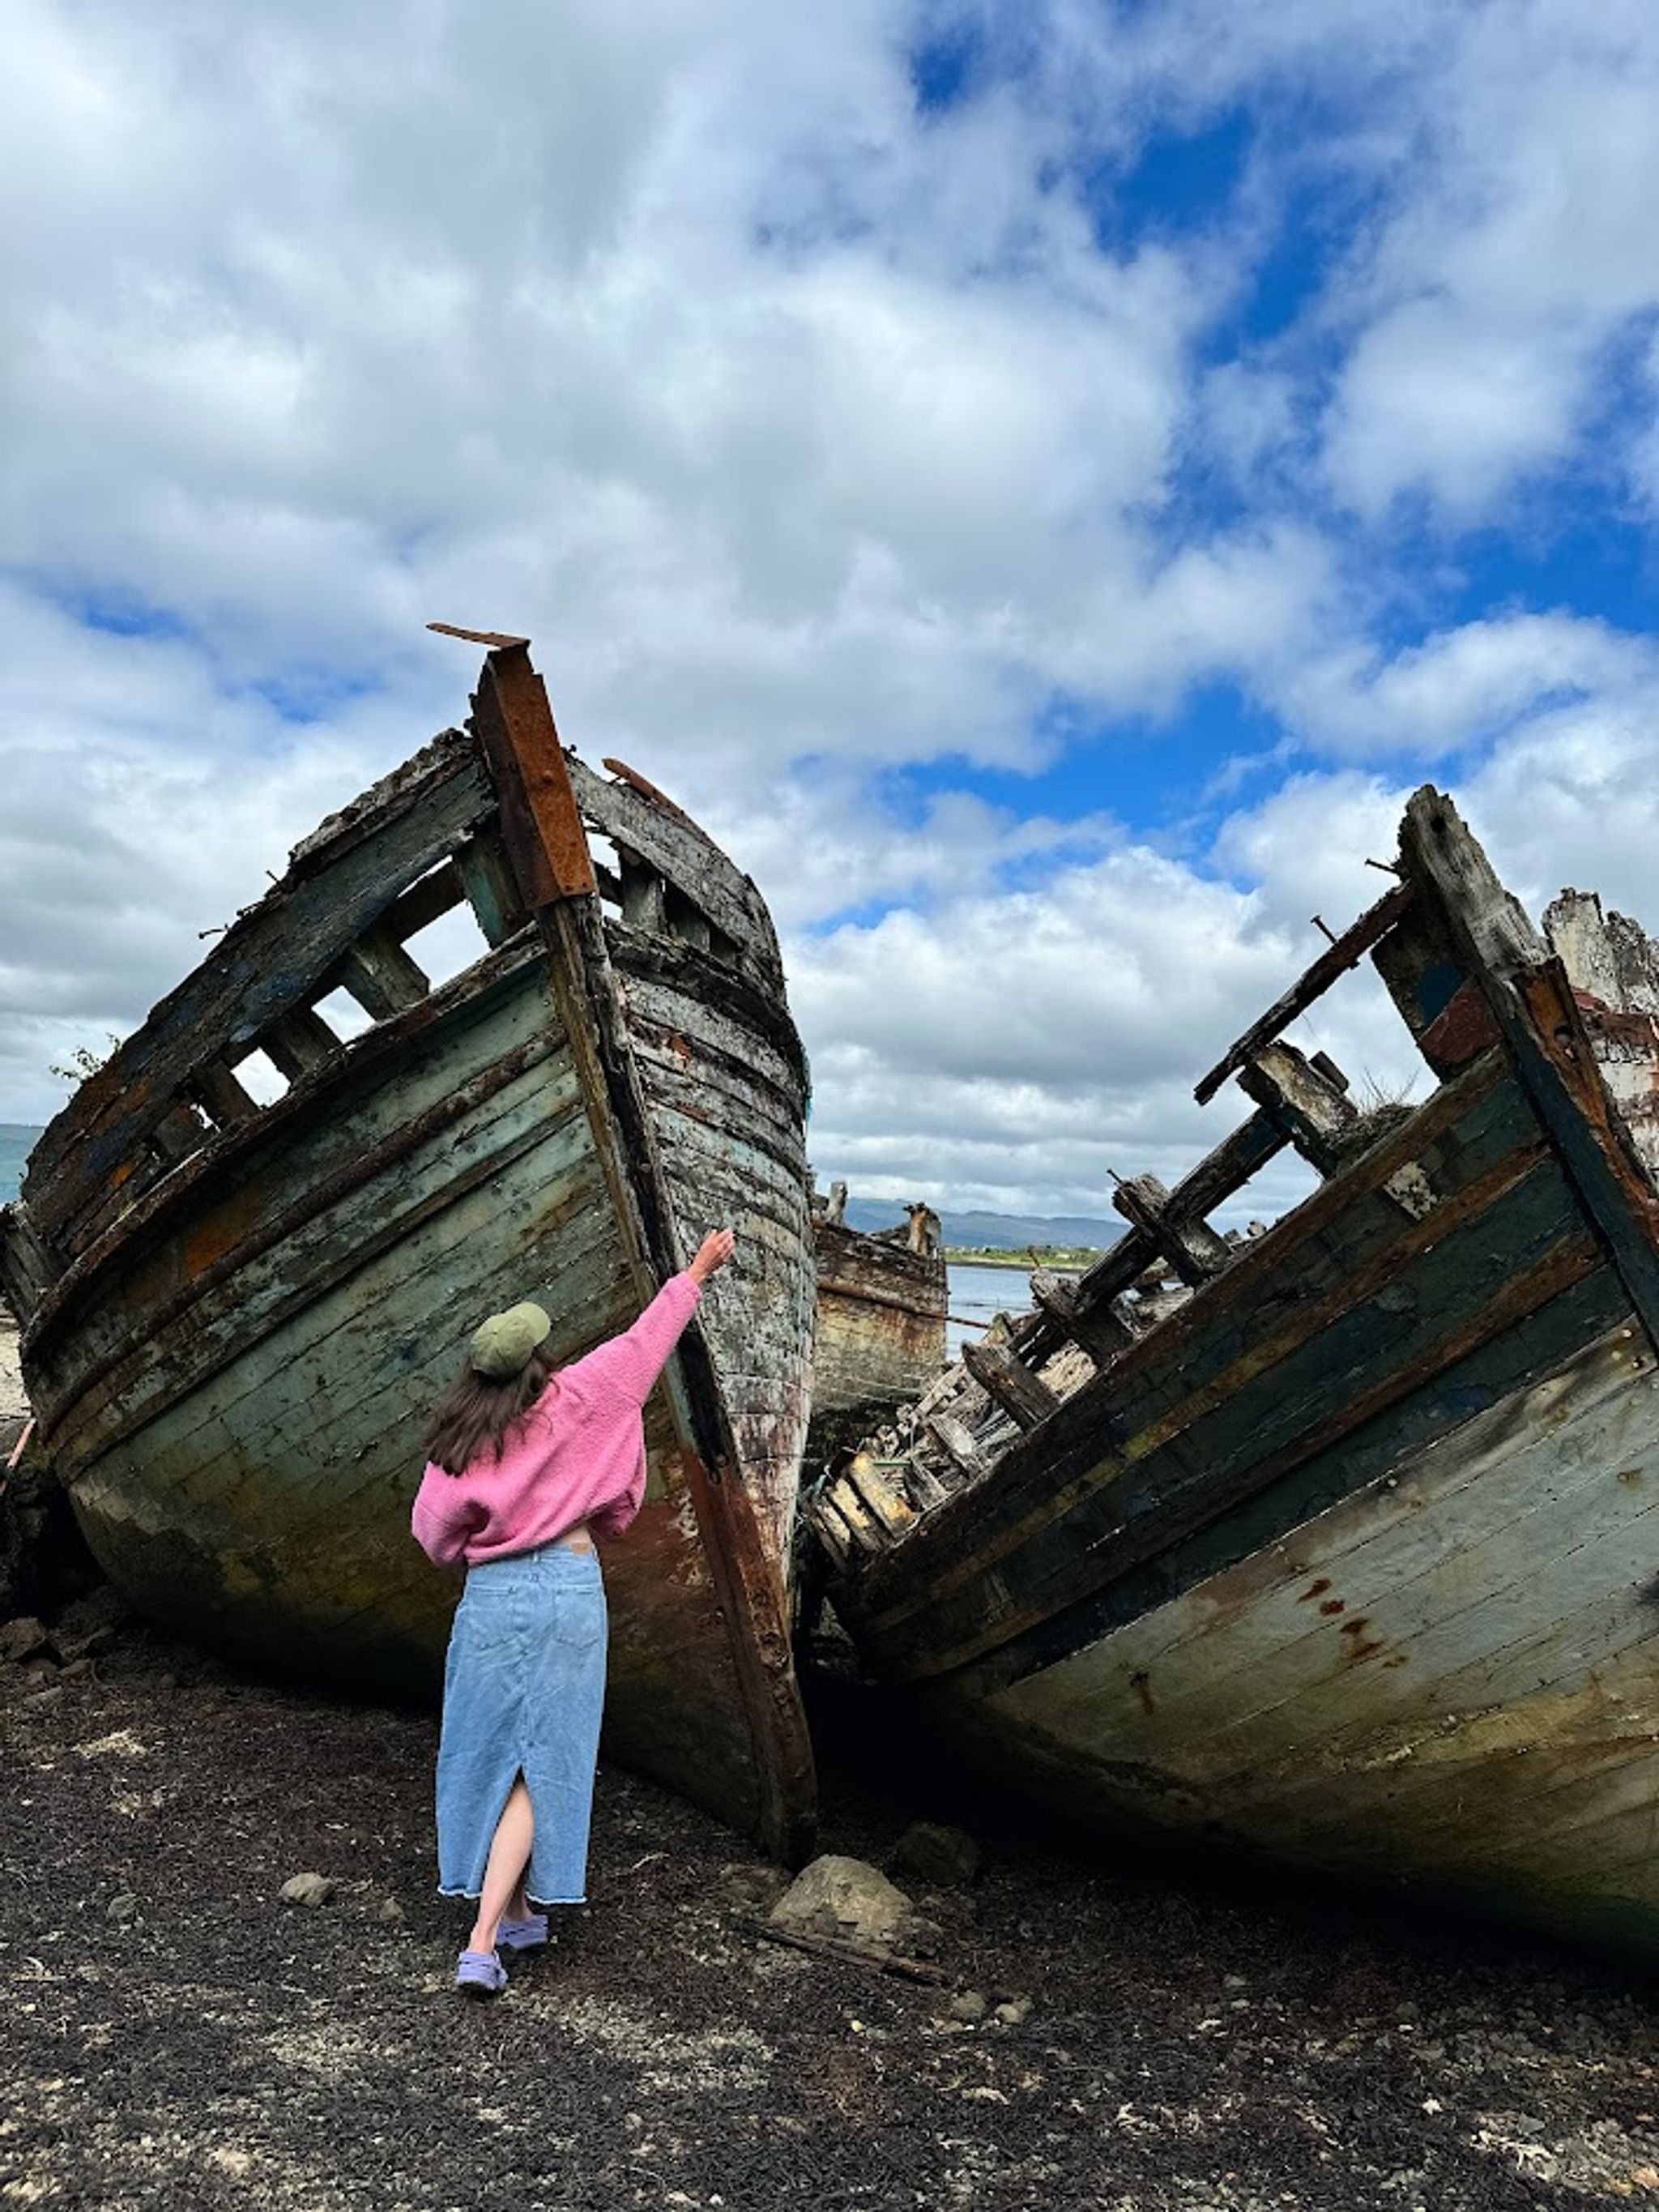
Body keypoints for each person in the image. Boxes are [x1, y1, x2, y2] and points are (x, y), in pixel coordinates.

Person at [412, 1228, 736, 1998]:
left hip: (490, 1599)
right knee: (541, 1757)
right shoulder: (590, 1394)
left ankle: (518, 1912)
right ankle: (483, 1939)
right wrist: (698, 1268)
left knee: (486, 1747)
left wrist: (490, 1545)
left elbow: (433, 1538)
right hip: (568, 1589)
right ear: (540, 1361)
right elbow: (649, 1336)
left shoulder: (460, 1442)